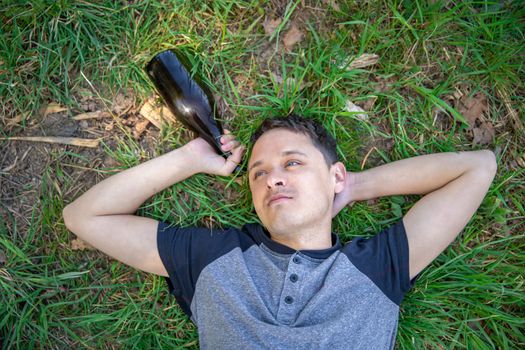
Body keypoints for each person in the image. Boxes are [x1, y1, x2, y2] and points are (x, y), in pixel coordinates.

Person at [63, 114, 497, 349]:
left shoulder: (378, 267)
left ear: (334, 175)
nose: (272, 179)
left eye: (292, 163)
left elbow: (478, 167)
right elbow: (85, 218)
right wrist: (189, 158)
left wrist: (352, 186)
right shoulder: (211, 259)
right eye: (258, 173)